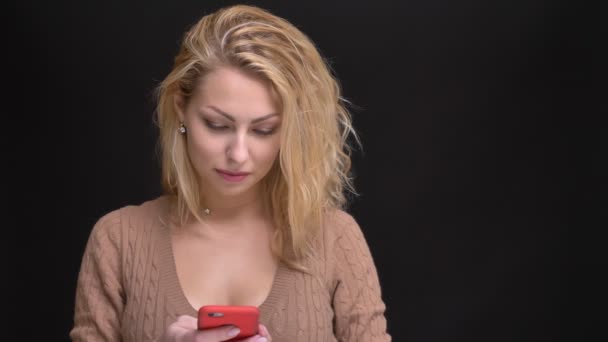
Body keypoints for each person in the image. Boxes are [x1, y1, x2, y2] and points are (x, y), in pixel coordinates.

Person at [70, 4, 390, 342]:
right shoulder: (119, 240)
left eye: (263, 130)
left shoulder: (335, 238)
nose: (238, 154)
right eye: (217, 125)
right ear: (181, 109)